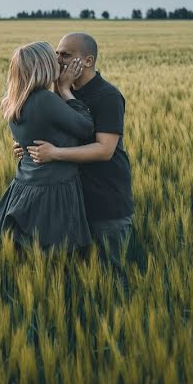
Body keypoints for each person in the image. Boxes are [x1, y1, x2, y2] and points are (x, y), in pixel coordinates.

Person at [15, 33, 134, 295]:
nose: (58, 60)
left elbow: (105, 150)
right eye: (57, 53)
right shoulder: (57, 96)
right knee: (78, 280)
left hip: (106, 200)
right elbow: (53, 134)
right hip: (71, 202)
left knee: (112, 278)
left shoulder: (108, 96)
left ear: (87, 60)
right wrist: (27, 147)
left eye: (65, 55)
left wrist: (55, 153)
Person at [0, 41, 94, 250]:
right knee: (58, 258)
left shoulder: (13, 100)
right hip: (52, 192)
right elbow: (86, 127)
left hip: (24, 187)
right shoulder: (44, 100)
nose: (59, 61)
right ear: (44, 66)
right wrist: (65, 90)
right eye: (54, 59)